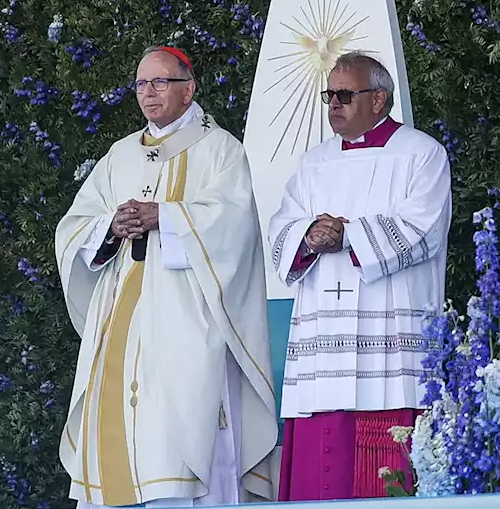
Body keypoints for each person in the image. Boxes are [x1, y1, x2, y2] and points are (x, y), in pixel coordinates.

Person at [54, 46, 276, 508]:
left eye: (159, 83)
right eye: (140, 84)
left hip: (187, 320)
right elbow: (74, 226)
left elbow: (233, 227)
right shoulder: (120, 155)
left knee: (180, 439)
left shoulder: (220, 150)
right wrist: (110, 228)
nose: (148, 94)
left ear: (188, 88)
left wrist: (166, 217)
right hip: (120, 321)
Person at [267, 52, 452, 501]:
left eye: (345, 95)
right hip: (324, 339)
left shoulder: (421, 153)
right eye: (330, 95)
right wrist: (309, 236)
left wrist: (347, 236)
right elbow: (280, 226)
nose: (334, 104)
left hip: (387, 339)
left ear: (379, 98)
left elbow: (422, 229)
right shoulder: (314, 163)